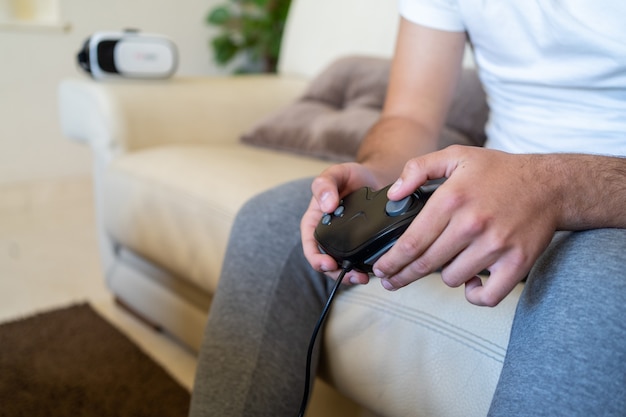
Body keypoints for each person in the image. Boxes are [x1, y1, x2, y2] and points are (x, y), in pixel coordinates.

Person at [189, 1, 626, 416]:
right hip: (483, 188)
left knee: (599, 286)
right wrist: (382, 178)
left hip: (610, 209)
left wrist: (553, 185)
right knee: (271, 220)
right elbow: (411, 116)